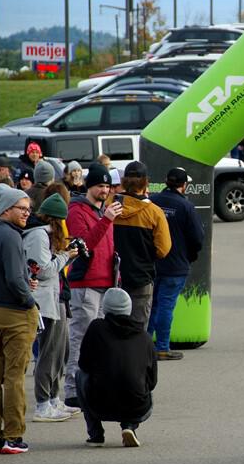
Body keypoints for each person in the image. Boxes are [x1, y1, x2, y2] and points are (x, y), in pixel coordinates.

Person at [64, 164, 122, 408]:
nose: (105, 190)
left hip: (105, 282)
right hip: (86, 283)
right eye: (100, 186)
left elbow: (106, 247)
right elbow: (84, 245)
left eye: (107, 186)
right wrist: (106, 220)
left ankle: (93, 387)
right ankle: (71, 390)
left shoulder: (102, 211)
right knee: (81, 337)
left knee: (99, 340)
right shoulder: (78, 211)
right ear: (90, 186)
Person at [23, 193, 80, 422]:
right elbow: (43, 270)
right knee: (49, 353)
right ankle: (43, 403)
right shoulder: (38, 235)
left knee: (60, 351)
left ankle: (54, 398)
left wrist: (67, 255)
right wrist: (66, 255)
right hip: (46, 301)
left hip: (57, 297)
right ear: (56, 220)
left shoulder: (45, 235)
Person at [76, 288, 157, 448]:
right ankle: (129, 426)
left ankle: (96, 434)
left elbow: (83, 363)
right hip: (137, 405)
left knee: (80, 375)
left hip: (99, 402)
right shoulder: (144, 336)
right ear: (128, 308)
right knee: (140, 383)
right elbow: (152, 380)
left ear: (106, 308)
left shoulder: (96, 328)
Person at [0, 187, 40, 454]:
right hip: (14, 314)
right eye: (22, 208)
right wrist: (29, 300)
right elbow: (12, 277)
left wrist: (24, 280)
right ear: (7, 209)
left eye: (28, 209)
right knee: (14, 377)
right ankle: (13, 435)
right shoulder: (10, 237)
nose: (27, 213)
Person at [147, 168, 204, 361]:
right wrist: (190, 256)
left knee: (151, 305)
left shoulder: (153, 201)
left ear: (165, 181)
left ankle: (144, 347)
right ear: (184, 185)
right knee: (166, 306)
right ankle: (162, 347)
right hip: (176, 265)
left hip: (153, 263)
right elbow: (197, 238)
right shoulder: (186, 206)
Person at [113, 161, 172, 331]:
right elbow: (163, 249)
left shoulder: (111, 206)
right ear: (146, 182)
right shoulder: (154, 212)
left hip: (112, 277)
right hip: (141, 276)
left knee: (114, 327)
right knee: (137, 329)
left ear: (124, 181)